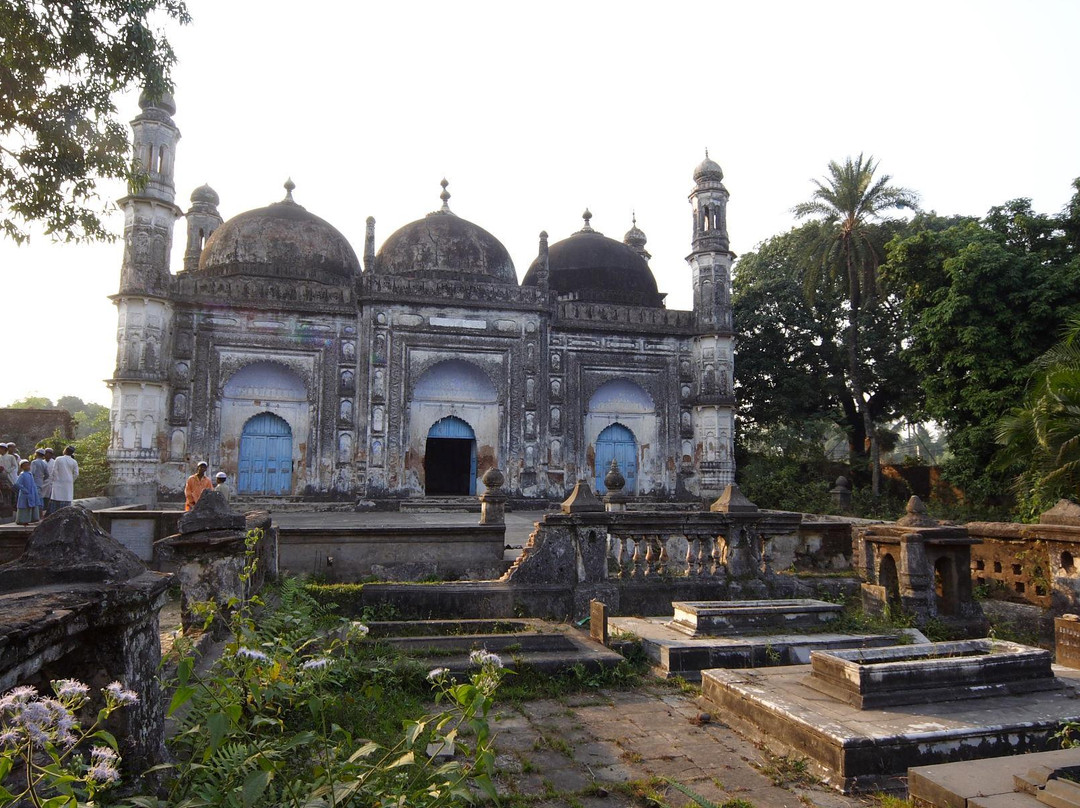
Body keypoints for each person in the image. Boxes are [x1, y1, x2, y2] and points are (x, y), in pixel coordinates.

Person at [48, 445, 79, 514]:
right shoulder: (74, 461)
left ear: (65, 450)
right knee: (66, 498)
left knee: (57, 497)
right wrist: (71, 480)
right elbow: (76, 473)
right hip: (68, 483)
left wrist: (56, 479)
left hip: (58, 481)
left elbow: (54, 471)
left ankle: (54, 513)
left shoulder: (59, 459)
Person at [14, 458, 43, 525]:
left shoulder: (30, 474)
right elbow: (17, 484)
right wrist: (24, 490)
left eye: (28, 465)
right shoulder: (22, 475)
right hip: (25, 494)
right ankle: (22, 520)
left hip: (32, 493)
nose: (27, 467)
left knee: (31, 505)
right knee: (24, 506)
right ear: (22, 467)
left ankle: (31, 519)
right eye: (25, 466)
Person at [41, 447, 55, 512]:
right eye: (46, 453)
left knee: (50, 497)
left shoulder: (54, 462)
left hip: (51, 482)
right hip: (43, 482)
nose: (48, 455)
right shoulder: (41, 462)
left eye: (50, 454)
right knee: (42, 496)